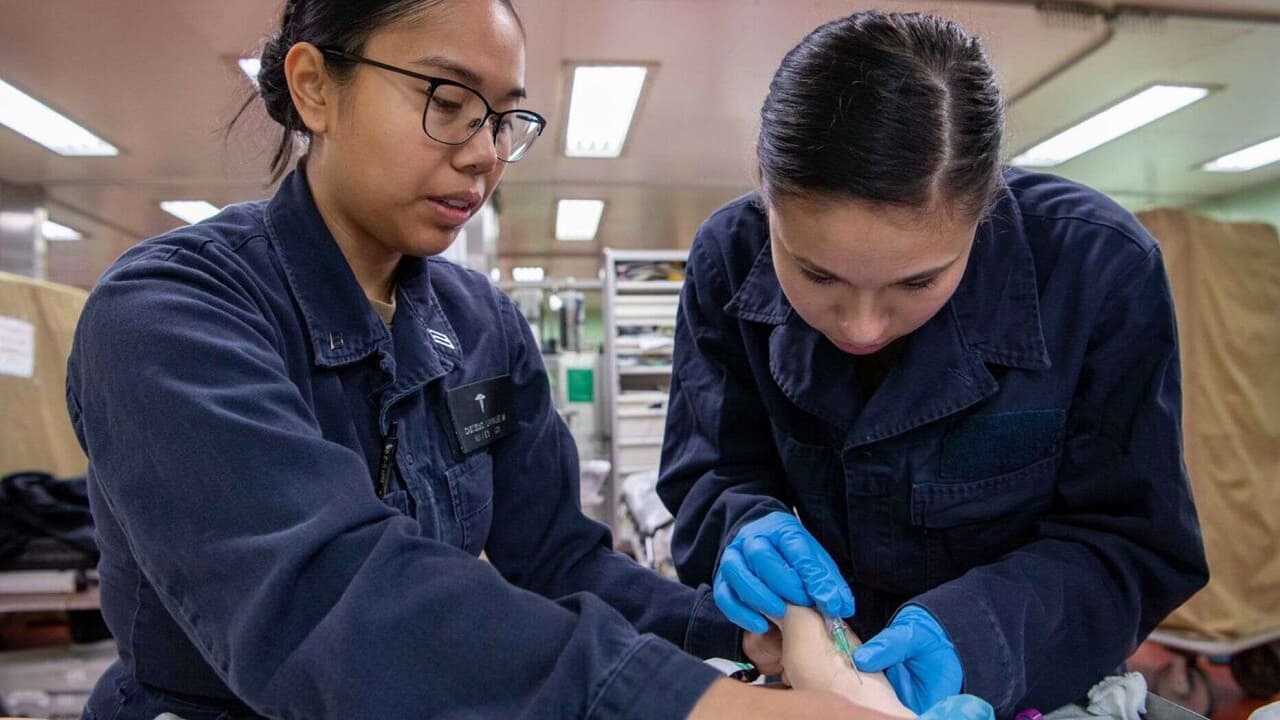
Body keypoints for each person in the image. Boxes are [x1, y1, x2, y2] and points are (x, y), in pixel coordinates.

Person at [65, 1, 993, 717]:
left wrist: (756, 640)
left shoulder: (479, 328)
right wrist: (700, 704)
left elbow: (561, 563)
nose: (484, 154)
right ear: (314, 85)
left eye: (506, 118)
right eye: (447, 101)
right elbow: (331, 603)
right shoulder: (174, 316)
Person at [657, 10, 1210, 718]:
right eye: (816, 275)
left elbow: (1132, 543)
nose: (860, 326)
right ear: (765, 190)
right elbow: (712, 472)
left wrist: (981, 638)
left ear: (983, 211)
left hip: (1028, 668)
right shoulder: (727, 259)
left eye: (916, 283)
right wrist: (742, 530)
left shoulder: (1098, 269)